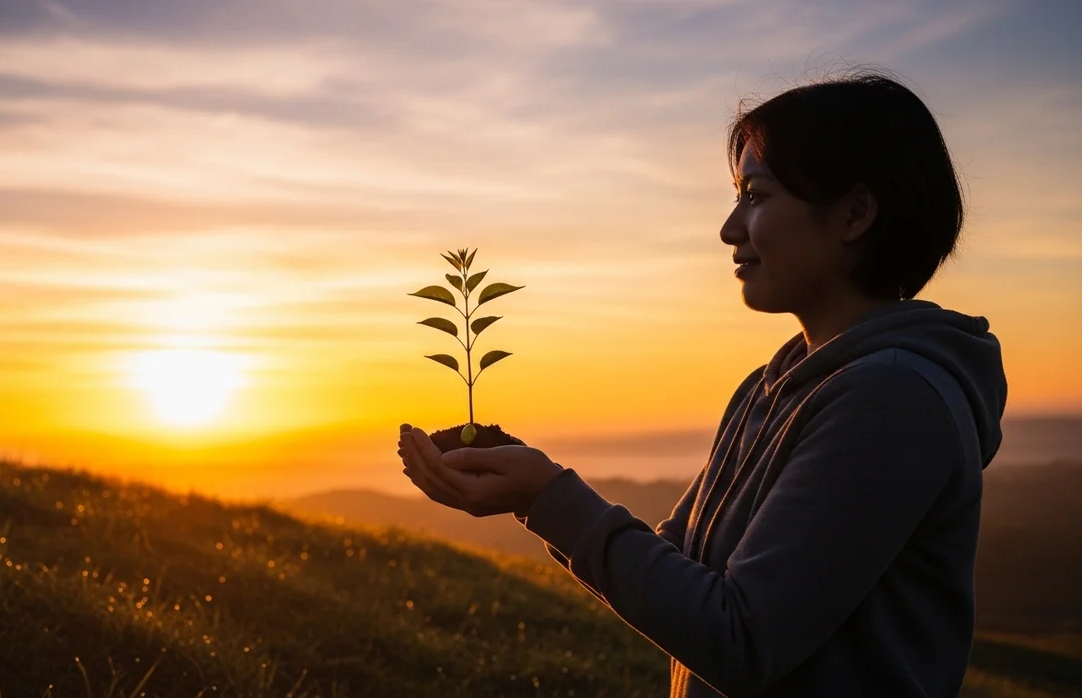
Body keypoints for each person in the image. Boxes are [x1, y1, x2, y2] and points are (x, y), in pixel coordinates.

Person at [397, 69, 1007, 697]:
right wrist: (530, 488)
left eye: (756, 196)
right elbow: (683, 567)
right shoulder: (770, 387)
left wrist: (544, 495)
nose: (729, 229)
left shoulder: (893, 401)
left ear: (854, 213)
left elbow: (741, 637)